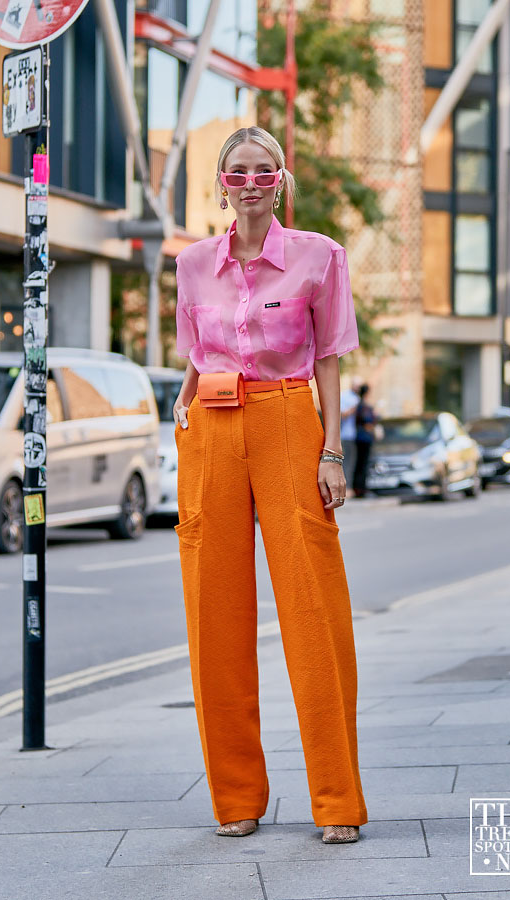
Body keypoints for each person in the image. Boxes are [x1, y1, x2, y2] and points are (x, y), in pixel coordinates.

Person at [172, 126, 368, 845]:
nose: (249, 182)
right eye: (237, 171)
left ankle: (337, 800)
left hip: (289, 420)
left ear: (280, 180)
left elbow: (331, 359)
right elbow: (195, 346)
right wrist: (183, 405)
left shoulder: (319, 256)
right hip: (212, 425)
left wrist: (333, 453)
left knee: (314, 608)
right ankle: (236, 798)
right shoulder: (193, 263)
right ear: (220, 182)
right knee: (213, 612)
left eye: (262, 170)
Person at [352, 383, 376, 498]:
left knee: (360, 464)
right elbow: (367, 422)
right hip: (364, 438)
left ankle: (359, 488)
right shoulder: (364, 406)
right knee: (363, 464)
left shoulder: (358, 405)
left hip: (360, 437)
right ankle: (361, 489)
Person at [340, 376, 362, 495]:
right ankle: (346, 488)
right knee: (347, 462)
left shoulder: (358, 398)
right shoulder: (346, 397)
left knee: (353, 462)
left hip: (356, 435)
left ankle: (352, 487)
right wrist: (356, 407)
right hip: (346, 434)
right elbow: (343, 415)